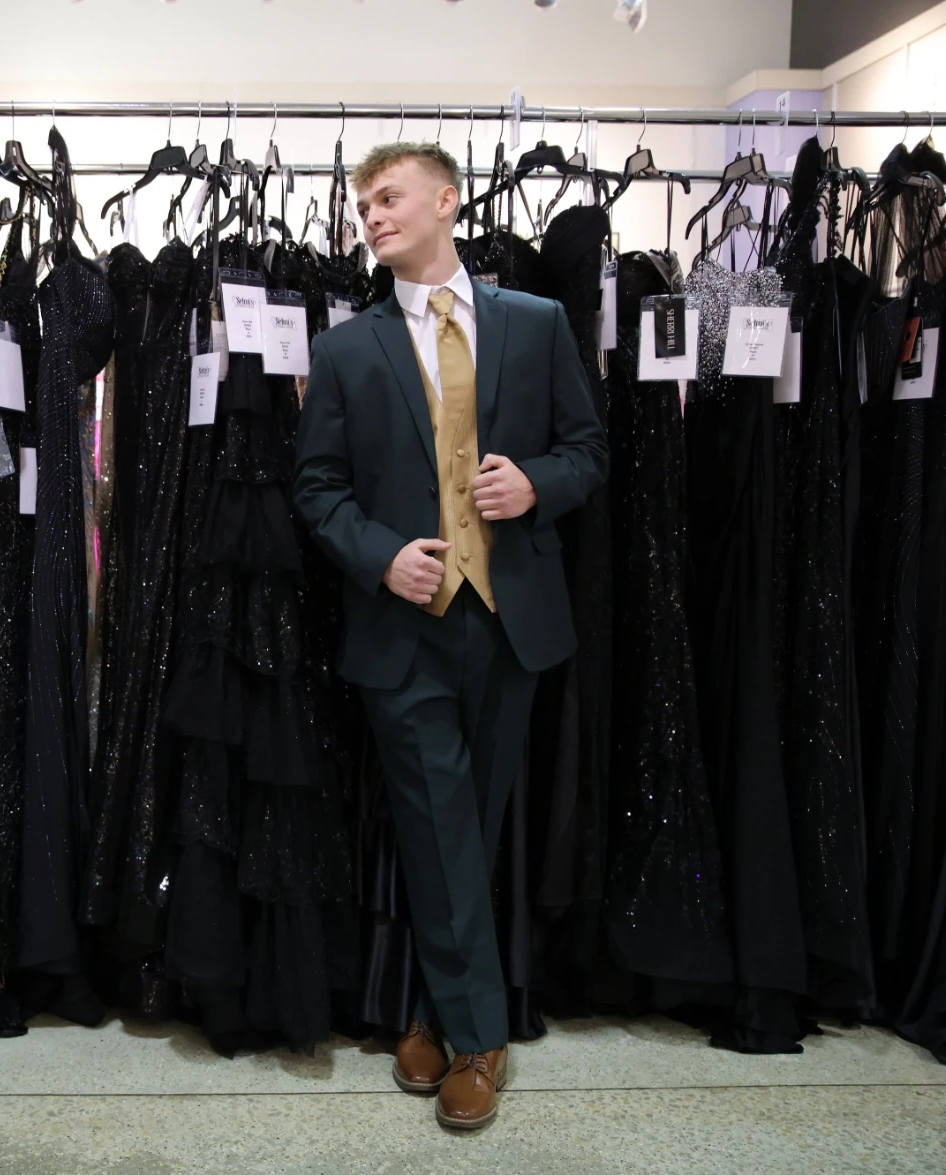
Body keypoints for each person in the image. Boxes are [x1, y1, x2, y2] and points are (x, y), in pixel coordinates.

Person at [292, 143, 607, 1130]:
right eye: (363, 207)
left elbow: (588, 450)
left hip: (510, 617)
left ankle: (431, 1008)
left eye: (387, 198)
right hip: (404, 621)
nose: (371, 218)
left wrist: (535, 484)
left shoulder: (536, 322)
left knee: (466, 823)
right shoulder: (346, 349)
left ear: (445, 200)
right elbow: (316, 488)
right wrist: (381, 556)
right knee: (435, 817)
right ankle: (478, 1036)